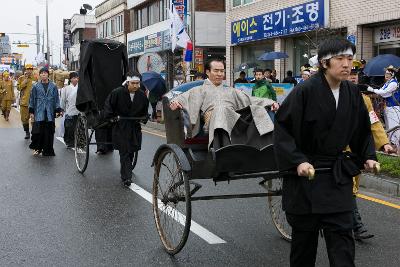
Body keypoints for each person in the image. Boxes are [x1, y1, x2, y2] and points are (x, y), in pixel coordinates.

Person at [274, 37, 378, 267]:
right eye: (339, 59)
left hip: (336, 176)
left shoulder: (352, 93)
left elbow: (362, 131)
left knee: (343, 239)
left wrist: (369, 156)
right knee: (304, 245)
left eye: (349, 59)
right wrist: (298, 161)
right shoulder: (305, 91)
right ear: (324, 63)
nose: (346, 64)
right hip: (305, 179)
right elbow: (283, 129)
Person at [169, 58, 279, 149]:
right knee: (221, 110)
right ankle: (223, 150)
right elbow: (179, 99)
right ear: (208, 72)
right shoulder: (198, 90)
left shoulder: (231, 90)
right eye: (216, 71)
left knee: (258, 109)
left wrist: (271, 103)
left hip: (235, 120)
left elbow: (251, 100)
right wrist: (175, 103)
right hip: (213, 121)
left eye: (222, 71)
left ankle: (268, 147)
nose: (220, 74)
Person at [348, 67, 395, 240]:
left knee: (352, 187)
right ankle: (357, 226)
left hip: (356, 151)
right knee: (349, 188)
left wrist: (384, 144)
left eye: (355, 75)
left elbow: (374, 124)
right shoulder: (329, 96)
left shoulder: (364, 100)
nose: (353, 77)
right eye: (350, 74)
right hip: (333, 151)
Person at [104, 71, 149, 187]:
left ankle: (127, 171)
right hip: (121, 125)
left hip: (134, 126)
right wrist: (111, 118)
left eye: (137, 84)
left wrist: (143, 118)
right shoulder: (117, 93)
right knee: (124, 151)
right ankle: (126, 177)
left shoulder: (142, 95)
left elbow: (145, 111)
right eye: (133, 83)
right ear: (128, 82)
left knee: (131, 150)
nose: (135, 86)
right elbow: (109, 107)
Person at [29, 67, 63, 156]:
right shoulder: (35, 86)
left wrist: (57, 109)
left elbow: (56, 99)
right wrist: (32, 111)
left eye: (45, 73)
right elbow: (32, 99)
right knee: (38, 132)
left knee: (49, 131)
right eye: (42, 73)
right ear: (39, 75)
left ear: (48, 74)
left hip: (49, 111)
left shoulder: (53, 86)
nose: (43, 74)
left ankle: (48, 150)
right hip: (39, 111)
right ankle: (37, 149)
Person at [367, 66, 400, 133]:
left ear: (392, 75)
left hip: (393, 107)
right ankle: (390, 142)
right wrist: (374, 90)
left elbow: (383, 92)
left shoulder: (393, 83)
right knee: (388, 127)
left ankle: (395, 142)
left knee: (393, 126)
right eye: (385, 73)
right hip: (387, 106)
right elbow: (381, 91)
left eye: (388, 74)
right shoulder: (388, 83)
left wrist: (372, 89)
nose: (386, 75)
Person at [60, 72, 79, 148]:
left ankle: (80, 141)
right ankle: (69, 142)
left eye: (76, 77)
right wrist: (62, 109)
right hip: (70, 110)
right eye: (73, 78)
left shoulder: (81, 87)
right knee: (69, 127)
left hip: (79, 110)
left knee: (79, 127)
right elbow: (63, 100)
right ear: (70, 79)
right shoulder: (66, 89)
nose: (75, 79)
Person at [17, 64, 35, 139]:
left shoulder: (36, 77)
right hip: (24, 102)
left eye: (31, 69)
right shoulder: (21, 78)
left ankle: (34, 132)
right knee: (24, 119)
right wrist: (25, 81)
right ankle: (27, 132)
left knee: (35, 119)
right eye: (28, 69)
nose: (29, 70)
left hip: (34, 103)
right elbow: (18, 88)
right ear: (25, 70)